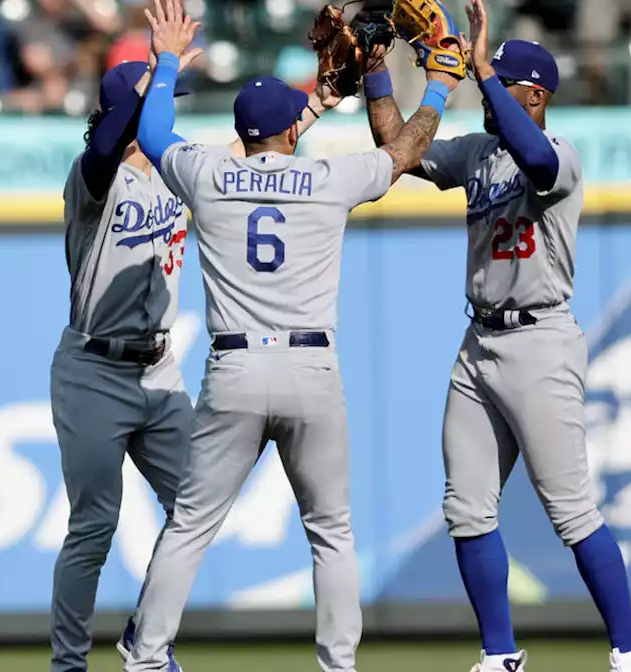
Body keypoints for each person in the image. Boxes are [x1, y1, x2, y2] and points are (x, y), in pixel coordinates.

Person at [120, 0, 456, 670]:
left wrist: (163, 61)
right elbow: (403, 151)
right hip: (311, 369)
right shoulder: (328, 179)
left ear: (243, 134)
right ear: (288, 134)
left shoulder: (209, 175)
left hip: (236, 371)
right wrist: (438, 82)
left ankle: (147, 657)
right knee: (331, 532)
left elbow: (154, 131)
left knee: (189, 526)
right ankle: (338, 664)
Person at [49, 20, 344, 672]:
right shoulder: (94, 177)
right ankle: (68, 664)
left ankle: (146, 646)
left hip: (157, 371)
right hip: (94, 369)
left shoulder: (181, 172)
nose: (168, 107)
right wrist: (159, 63)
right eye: (160, 98)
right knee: (94, 528)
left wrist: (317, 101)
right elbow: (108, 140)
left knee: (194, 511)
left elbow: (259, 166)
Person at [362, 0, 631, 670]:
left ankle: (627, 653)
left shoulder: (561, 156)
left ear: (536, 94)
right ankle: (500, 655)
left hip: (541, 340)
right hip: (480, 343)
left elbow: (535, 159)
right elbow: (397, 151)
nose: (486, 90)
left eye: (504, 83)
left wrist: (484, 68)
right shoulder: (478, 153)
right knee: (466, 507)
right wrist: (377, 73)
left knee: (571, 511)